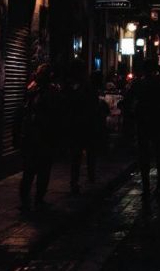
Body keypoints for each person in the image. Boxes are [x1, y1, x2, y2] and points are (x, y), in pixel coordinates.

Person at [125, 59, 160, 197]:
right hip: (159, 121)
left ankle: (146, 184)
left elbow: (128, 100)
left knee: (144, 155)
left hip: (144, 122)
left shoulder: (138, 84)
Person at [16, 63, 62, 213]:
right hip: (40, 137)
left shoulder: (33, 89)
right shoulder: (46, 91)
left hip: (36, 136)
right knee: (39, 171)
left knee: (32, 171)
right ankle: (35, 199)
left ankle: (29, 200)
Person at [64, 61, 102, 194]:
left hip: (79, 125)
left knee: (78, 155)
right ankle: (85, 178)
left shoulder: (75, 87)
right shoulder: (84, 87)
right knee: (85, 153)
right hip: (84, 125)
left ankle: (76, 181)